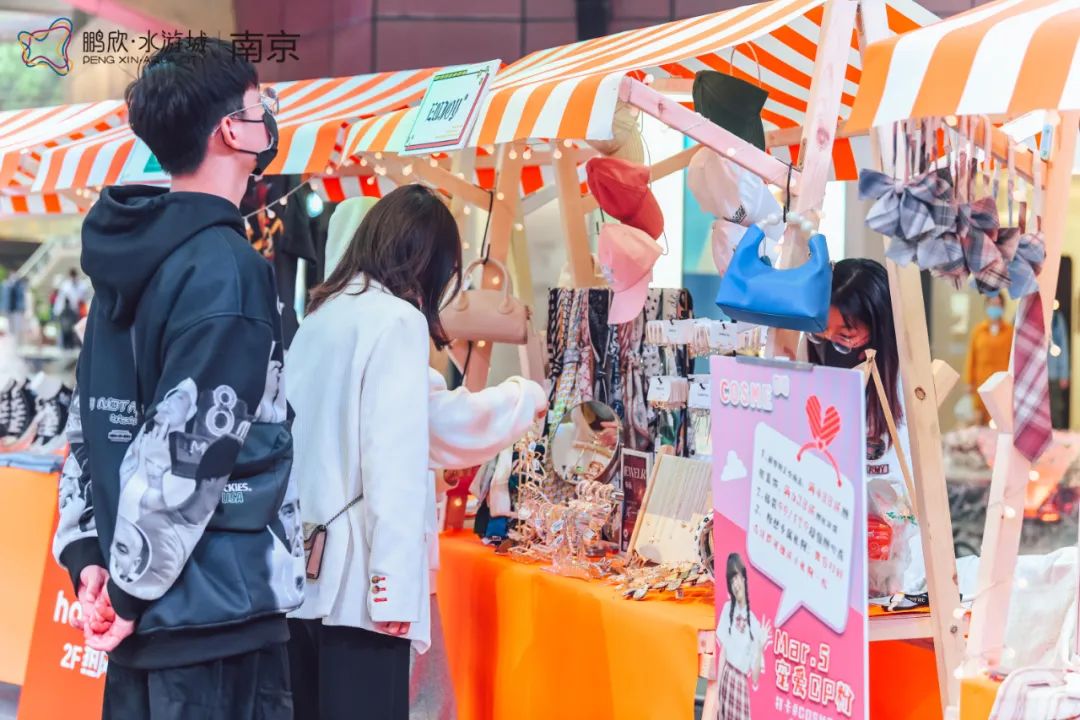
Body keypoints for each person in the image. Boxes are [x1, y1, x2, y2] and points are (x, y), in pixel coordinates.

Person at [51, 39, 300, 719]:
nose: (267, 118)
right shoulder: (226, 268)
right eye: (258, 106)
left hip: (142, 603)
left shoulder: (124, 258)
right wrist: (130, 590)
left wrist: (91, 557)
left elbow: (91, 421)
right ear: (231, 131)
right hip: (213, 606)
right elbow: (191, 447)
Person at [285, 185, 546, 719]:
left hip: (302, 571)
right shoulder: (395, 321)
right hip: (358, 582)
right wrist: (394, 586)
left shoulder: (321, 316)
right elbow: (394, 464)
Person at [716, 553, 771, 720]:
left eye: (737, 578)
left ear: (744, 578)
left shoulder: (754, 624)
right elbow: (723, 653)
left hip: (740, 684)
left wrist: (760, 647)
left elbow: (755, 678)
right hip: (726, 677)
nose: (735, 584)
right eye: (731, 581)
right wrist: (716, 693)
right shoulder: (727, 609)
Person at [964, 292, 1013, 425]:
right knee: (979, 422)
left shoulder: (1010, 331)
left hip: (1001, 385)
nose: (995, 307)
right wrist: (969, 382)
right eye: (992, 304)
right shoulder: (978, 331)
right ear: (986, 306)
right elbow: (971, 357)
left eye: (998, 304)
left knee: (1000, 422)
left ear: (1003, 307)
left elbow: (1013, 360)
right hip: (980, 383)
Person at [54, 268, 87, 349]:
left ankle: (75, 345)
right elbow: (61, 300)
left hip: (76, 312)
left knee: (75, 329)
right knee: (64, 329)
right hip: (65, 312)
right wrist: (59, 312)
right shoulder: (66, 286)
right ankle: (63, 345)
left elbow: (82, 298)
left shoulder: (81, 285)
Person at [1049, 309, 1070, 429]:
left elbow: (1063, 347)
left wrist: (1064, 374)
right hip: (1032, 374)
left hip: (1053, 374)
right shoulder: (1027, 314)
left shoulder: (1057, 319)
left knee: (1056, 410)